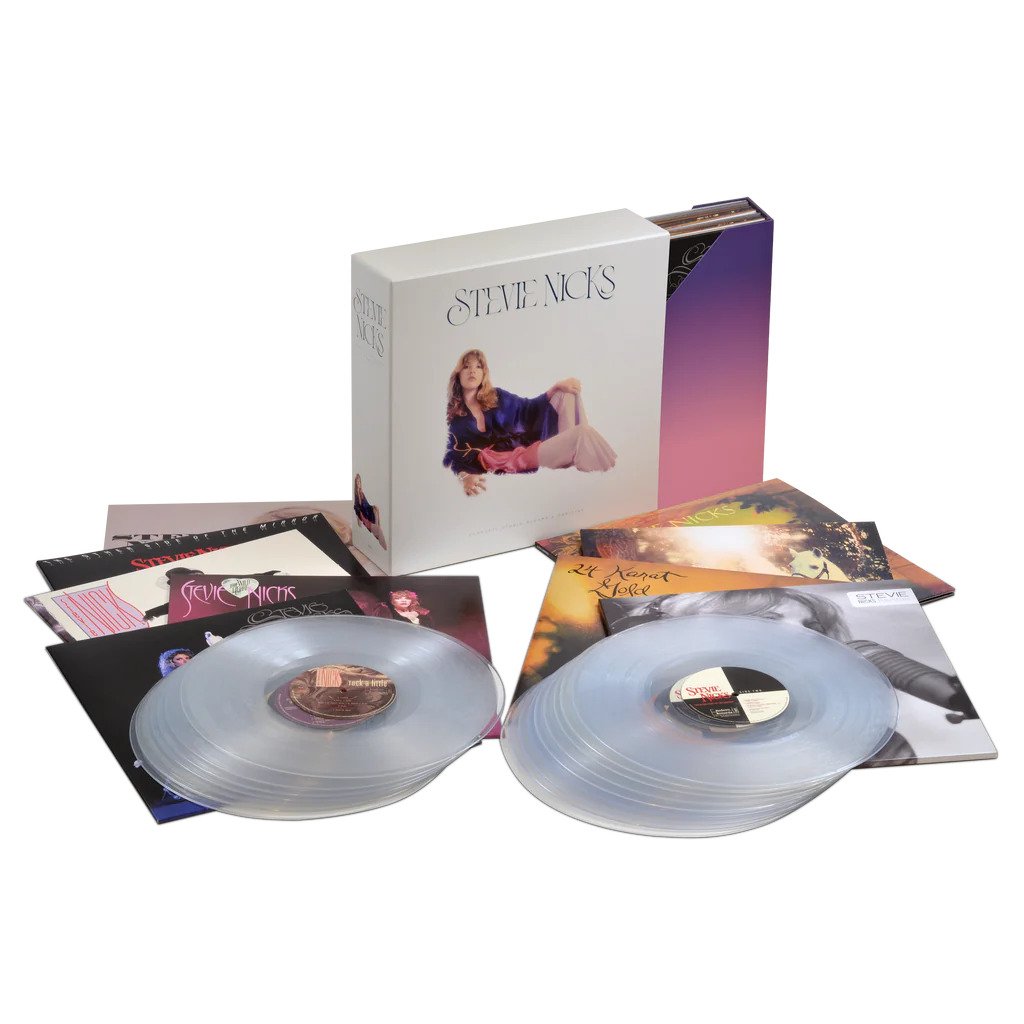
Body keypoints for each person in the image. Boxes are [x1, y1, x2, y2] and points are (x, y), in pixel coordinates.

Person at [621, 588, 978, 764]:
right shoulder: (647, 695)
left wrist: (954, 696)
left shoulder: (872, 738)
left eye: (813, 626)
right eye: (768, 620)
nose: (803, 633)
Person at [443, 348, 616, 497]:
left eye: (478, 366)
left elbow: (528, 407)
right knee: (582, 433)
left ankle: (571, 455)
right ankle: (577, 457)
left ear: (484, 373)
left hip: (528, 443)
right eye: (466, 366)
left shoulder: (496, 396)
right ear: (458, 373)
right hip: (514, 457)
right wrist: (465, 477)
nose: (472, 371)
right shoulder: (455, 416)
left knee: (566, 393)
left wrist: (555, 387)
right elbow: (452, 454)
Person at [353, 473, 387, 549]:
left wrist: (373, 507)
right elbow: (357, 508)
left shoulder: (362, 493)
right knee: (379, 531)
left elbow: (367, 505)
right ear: (355, 484)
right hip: (366, 518)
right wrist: (359, 521)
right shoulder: (356, 495)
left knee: (375, 509)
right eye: (357, 482)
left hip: (368, 513)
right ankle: (378, 533)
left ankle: (377, 529)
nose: (358, 483)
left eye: (359, 482)